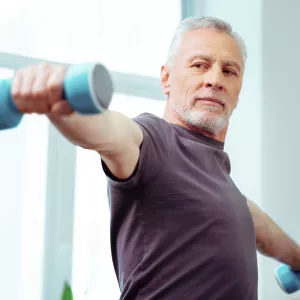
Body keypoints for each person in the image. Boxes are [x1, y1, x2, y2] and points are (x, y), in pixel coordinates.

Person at [11, 16, 300, 300]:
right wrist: (60, 104)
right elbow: (108, 131)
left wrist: (297, 258)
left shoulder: (223, 185)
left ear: (239, 91)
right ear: (166, 78)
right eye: (200, 66)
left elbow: (253, 221)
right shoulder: (152, 141)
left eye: (229, 71)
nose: (214, 80)